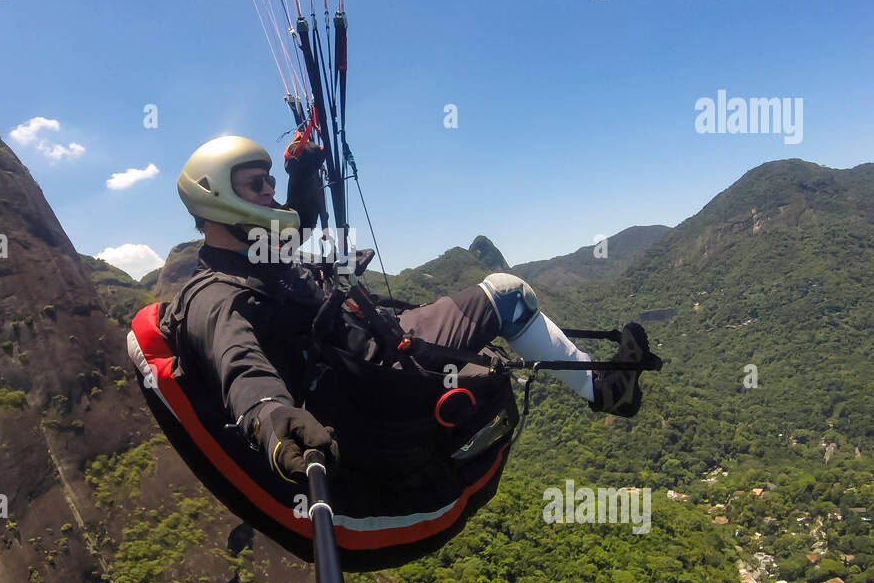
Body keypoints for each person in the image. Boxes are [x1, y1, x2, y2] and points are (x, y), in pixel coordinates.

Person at [167, 135, 652, 482]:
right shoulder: (213, 296)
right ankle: (604, 392)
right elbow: (238, 362)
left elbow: (299, 223)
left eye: (270, 181)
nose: (269, 193)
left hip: (371, 332)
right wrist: (268, 413)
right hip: (375, 366)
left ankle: (601, 388)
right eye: (257, 185)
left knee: (505, 293)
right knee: (508, 292)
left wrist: (302, 173)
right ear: (219, 199)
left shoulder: (256, 247)